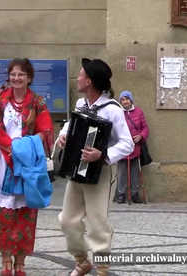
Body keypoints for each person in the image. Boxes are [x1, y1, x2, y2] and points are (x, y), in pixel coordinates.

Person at [57, 58, 134, 276]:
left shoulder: (113, 110)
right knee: (67, 220)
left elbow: (127, 143)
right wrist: (63, 136)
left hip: (101, 173)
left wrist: (103, 155)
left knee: (97, 223)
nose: (78, 78)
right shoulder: (81, 104)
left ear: (89, 81)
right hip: (77, 169)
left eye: (80, 75)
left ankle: (101, 268)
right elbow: (71, 126)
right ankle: (82, 261)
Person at [0, 58, 54, 276]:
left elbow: (45, 129)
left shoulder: (37, 102)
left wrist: (26, 147)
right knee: (2, 213)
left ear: (29, 78)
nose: (16, 78)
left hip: (27, 162)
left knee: (25, 213)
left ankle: (20, 262)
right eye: (13, 74)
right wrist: (10, 147)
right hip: (3, 161)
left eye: (21, 74)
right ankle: (5, 260)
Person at [116, 90, 149, 204]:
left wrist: (141, 136)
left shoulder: (139, 112)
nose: (125, 102)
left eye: (127, 99)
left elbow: (145, 128)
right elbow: (114, 129)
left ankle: (135, 194)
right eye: (123, 100)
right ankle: (121, 194)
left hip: (135, 147)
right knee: (121, 172)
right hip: (122, 147)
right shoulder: (118, 113)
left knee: (135, 172)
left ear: (131, 100)